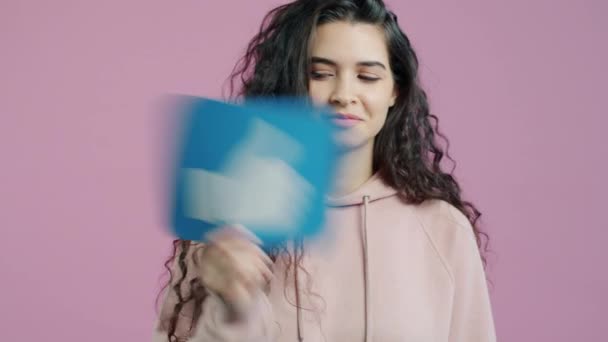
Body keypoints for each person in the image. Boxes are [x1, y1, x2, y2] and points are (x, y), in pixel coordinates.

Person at [153, 0, 496, 341]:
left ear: (395, 90)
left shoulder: (442, 228)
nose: (344, 94)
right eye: (320, 74)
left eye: (367, 76)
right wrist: (231, 308)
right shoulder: (226, 227)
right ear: (291, 83)